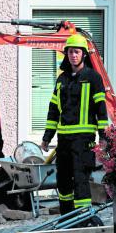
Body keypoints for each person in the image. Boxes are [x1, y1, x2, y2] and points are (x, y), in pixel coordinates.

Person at [40, 34, 109, 215]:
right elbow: (53, 110)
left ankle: (83, 218)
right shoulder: (62, 79)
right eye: (71, 52)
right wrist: (47, 137)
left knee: (80, 179)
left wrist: (103, 136)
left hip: (84, 139)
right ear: (67, 54)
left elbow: (101, 109)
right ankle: (66, 218)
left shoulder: (93, 77)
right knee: (63, 180)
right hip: (64, 140)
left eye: (77, 52)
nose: (73, 55)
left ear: (84, 54)